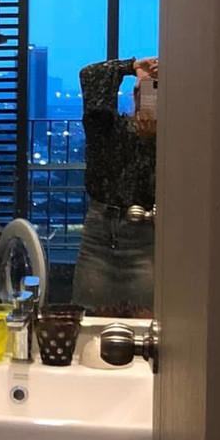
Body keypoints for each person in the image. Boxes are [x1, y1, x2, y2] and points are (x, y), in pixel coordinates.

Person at [71, 56, 158, 314]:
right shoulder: (108, 130)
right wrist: (132, 67)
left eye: (157, 91)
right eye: (143, 90)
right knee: (91, 321)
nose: (148, 97)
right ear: (134, 94)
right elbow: (90, 74)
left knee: (151, 322)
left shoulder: (178, 138)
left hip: (150, 239)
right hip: (100, 237)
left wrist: (157, 140)